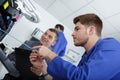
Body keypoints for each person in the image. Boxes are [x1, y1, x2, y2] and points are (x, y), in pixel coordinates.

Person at [30, 13, 120, 80]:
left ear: (91, 30)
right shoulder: (86, 56)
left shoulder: (110, 46)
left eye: (77, 29)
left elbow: (81, 78)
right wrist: (44, 69)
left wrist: (50, 54)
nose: (72, 34)